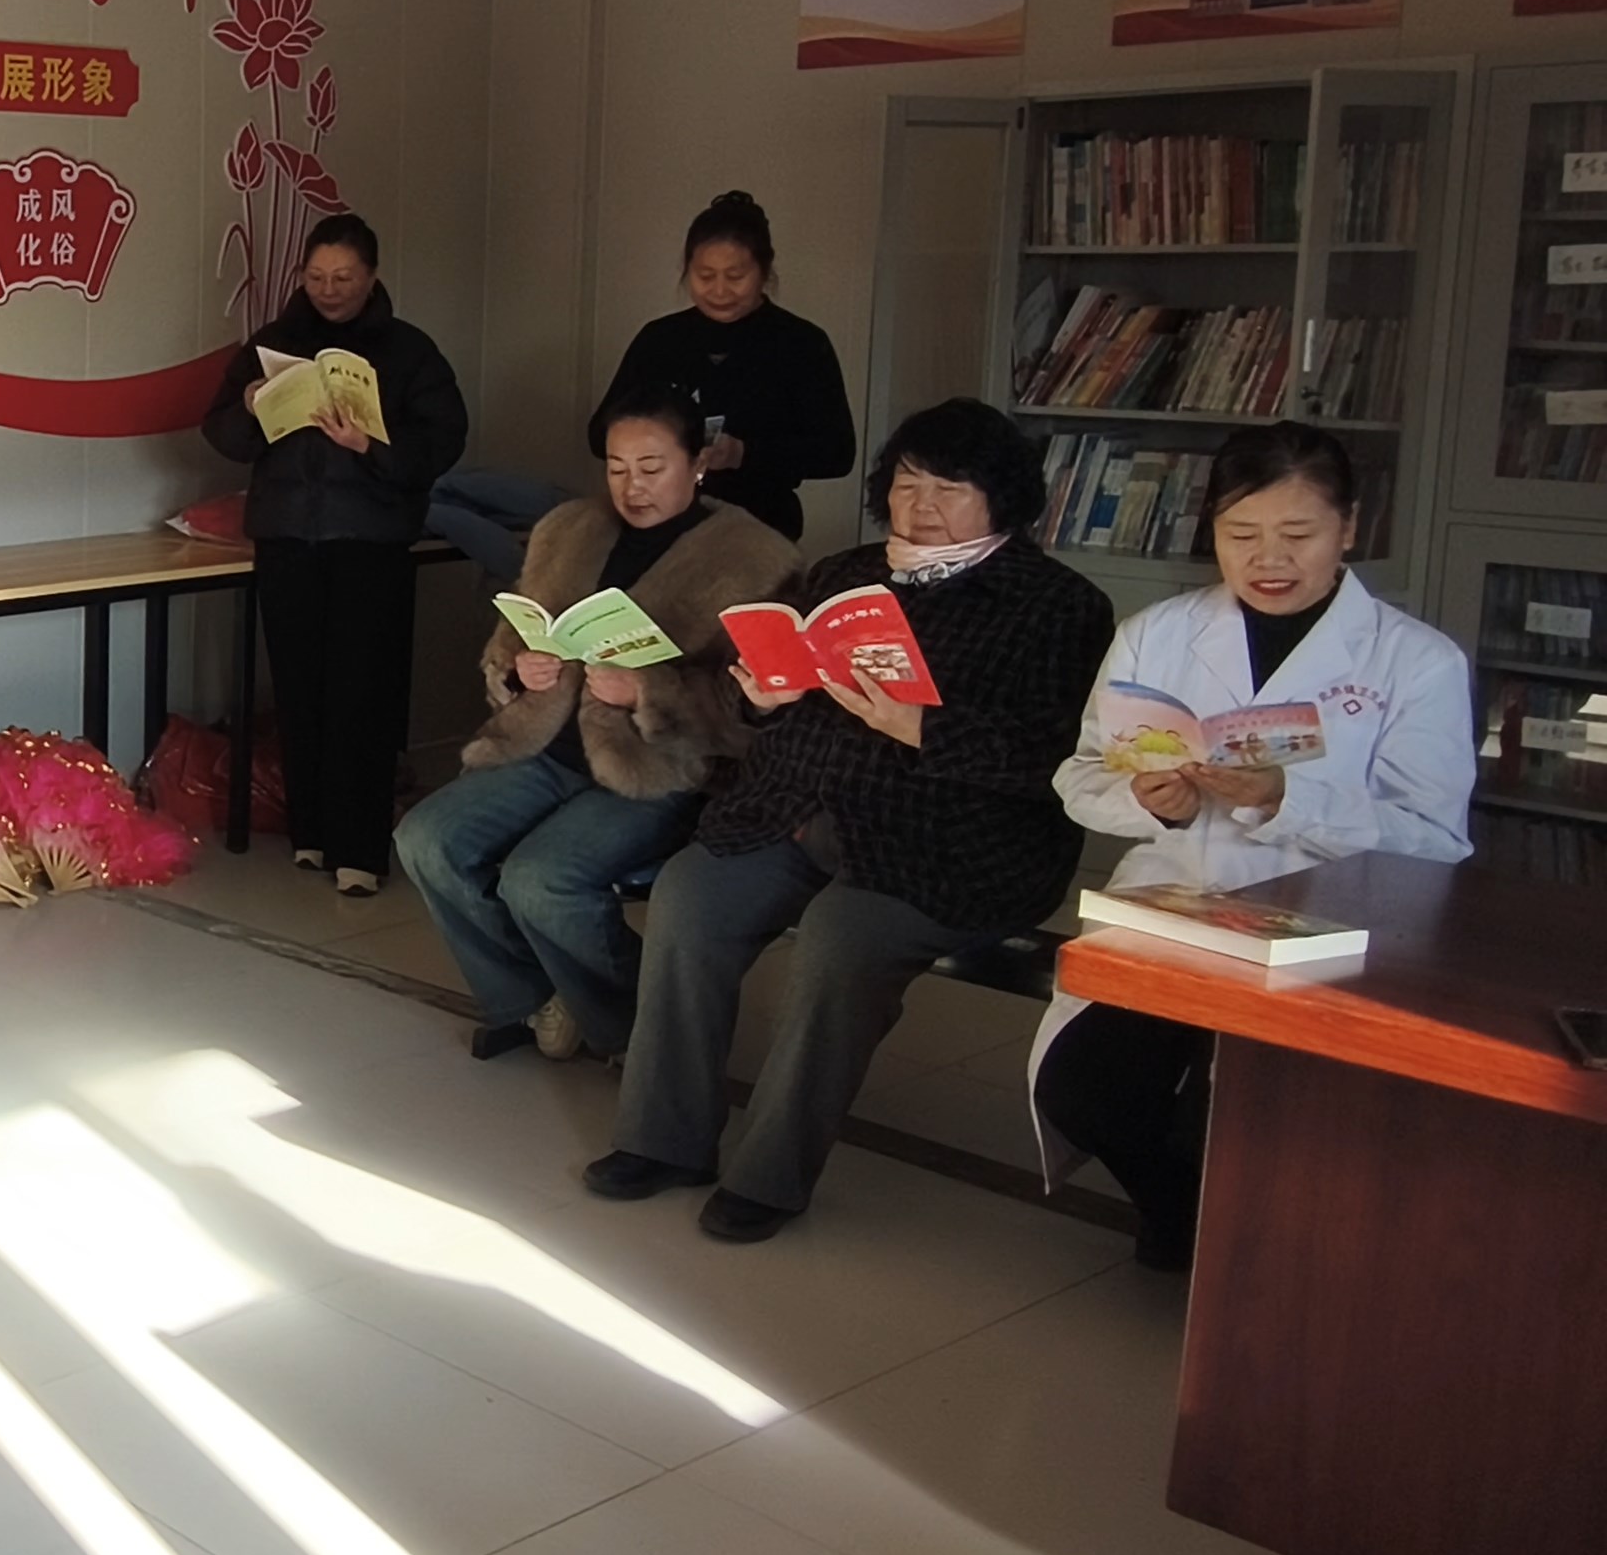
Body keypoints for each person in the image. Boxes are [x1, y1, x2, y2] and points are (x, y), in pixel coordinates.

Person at [586, 398, 1109, 1242]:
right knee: (690, 897)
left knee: (838, 939)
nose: (922, 506)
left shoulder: (1058, 604)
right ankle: (665, 1139)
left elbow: (1053, 759)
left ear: (1002, 498)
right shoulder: (845, 572)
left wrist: (921, 726)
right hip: (796, 804)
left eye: (950, 489)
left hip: (951, 840)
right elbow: (756, 706)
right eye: (907, 484)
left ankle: (770, 1175)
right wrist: (759, 699)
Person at [1039, 424, 1471, 1269]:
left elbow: (1435, 838)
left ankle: (1245, 1260)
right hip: (1177, 910)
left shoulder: (1416, 661)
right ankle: (1186, 1218)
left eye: (1298, 534)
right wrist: (1148, 800)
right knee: (1083, 1089)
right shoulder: (1158, 632)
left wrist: (1286, 798)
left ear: (1349, 527)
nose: (1269, 559)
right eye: (1241, 535)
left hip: (1330, 929)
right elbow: (1081, 776)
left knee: (1265, 1117)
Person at [396, 386, 798, 1063]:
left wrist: (649, 689)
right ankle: (532, 996)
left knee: (541, 880)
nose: (632, 487)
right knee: (425, 838)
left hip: (660, 764)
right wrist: (520, 669)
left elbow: (752, 706)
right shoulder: (569, 528)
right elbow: (514, 633)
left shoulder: (755, 559)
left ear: (699, 463)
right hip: (546, 745)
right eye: (617, 468)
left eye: (652, 468)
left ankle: (637, 1027)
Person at [199, 213, 470, 893]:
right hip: (288, 536)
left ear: (372, 276)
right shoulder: (273, 343)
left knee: (362, 696)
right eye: (317, 277)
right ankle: (312, 833)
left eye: (343, 277)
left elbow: (443, 441)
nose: (329, 289)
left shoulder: (408, 351)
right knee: (299, 690)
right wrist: (253, 405)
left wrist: (368, 446)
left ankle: (361, 850)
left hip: (369, 544)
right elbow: (221, 432)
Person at [590, 193, 856, 542]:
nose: (719, 291)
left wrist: (744, 453)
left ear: (764, 272)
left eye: (735, 276)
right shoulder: (660, 340)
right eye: (705, 276)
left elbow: (837, 453)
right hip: (660, 523)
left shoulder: (801, 343)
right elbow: (599, 434)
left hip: (761, 524)